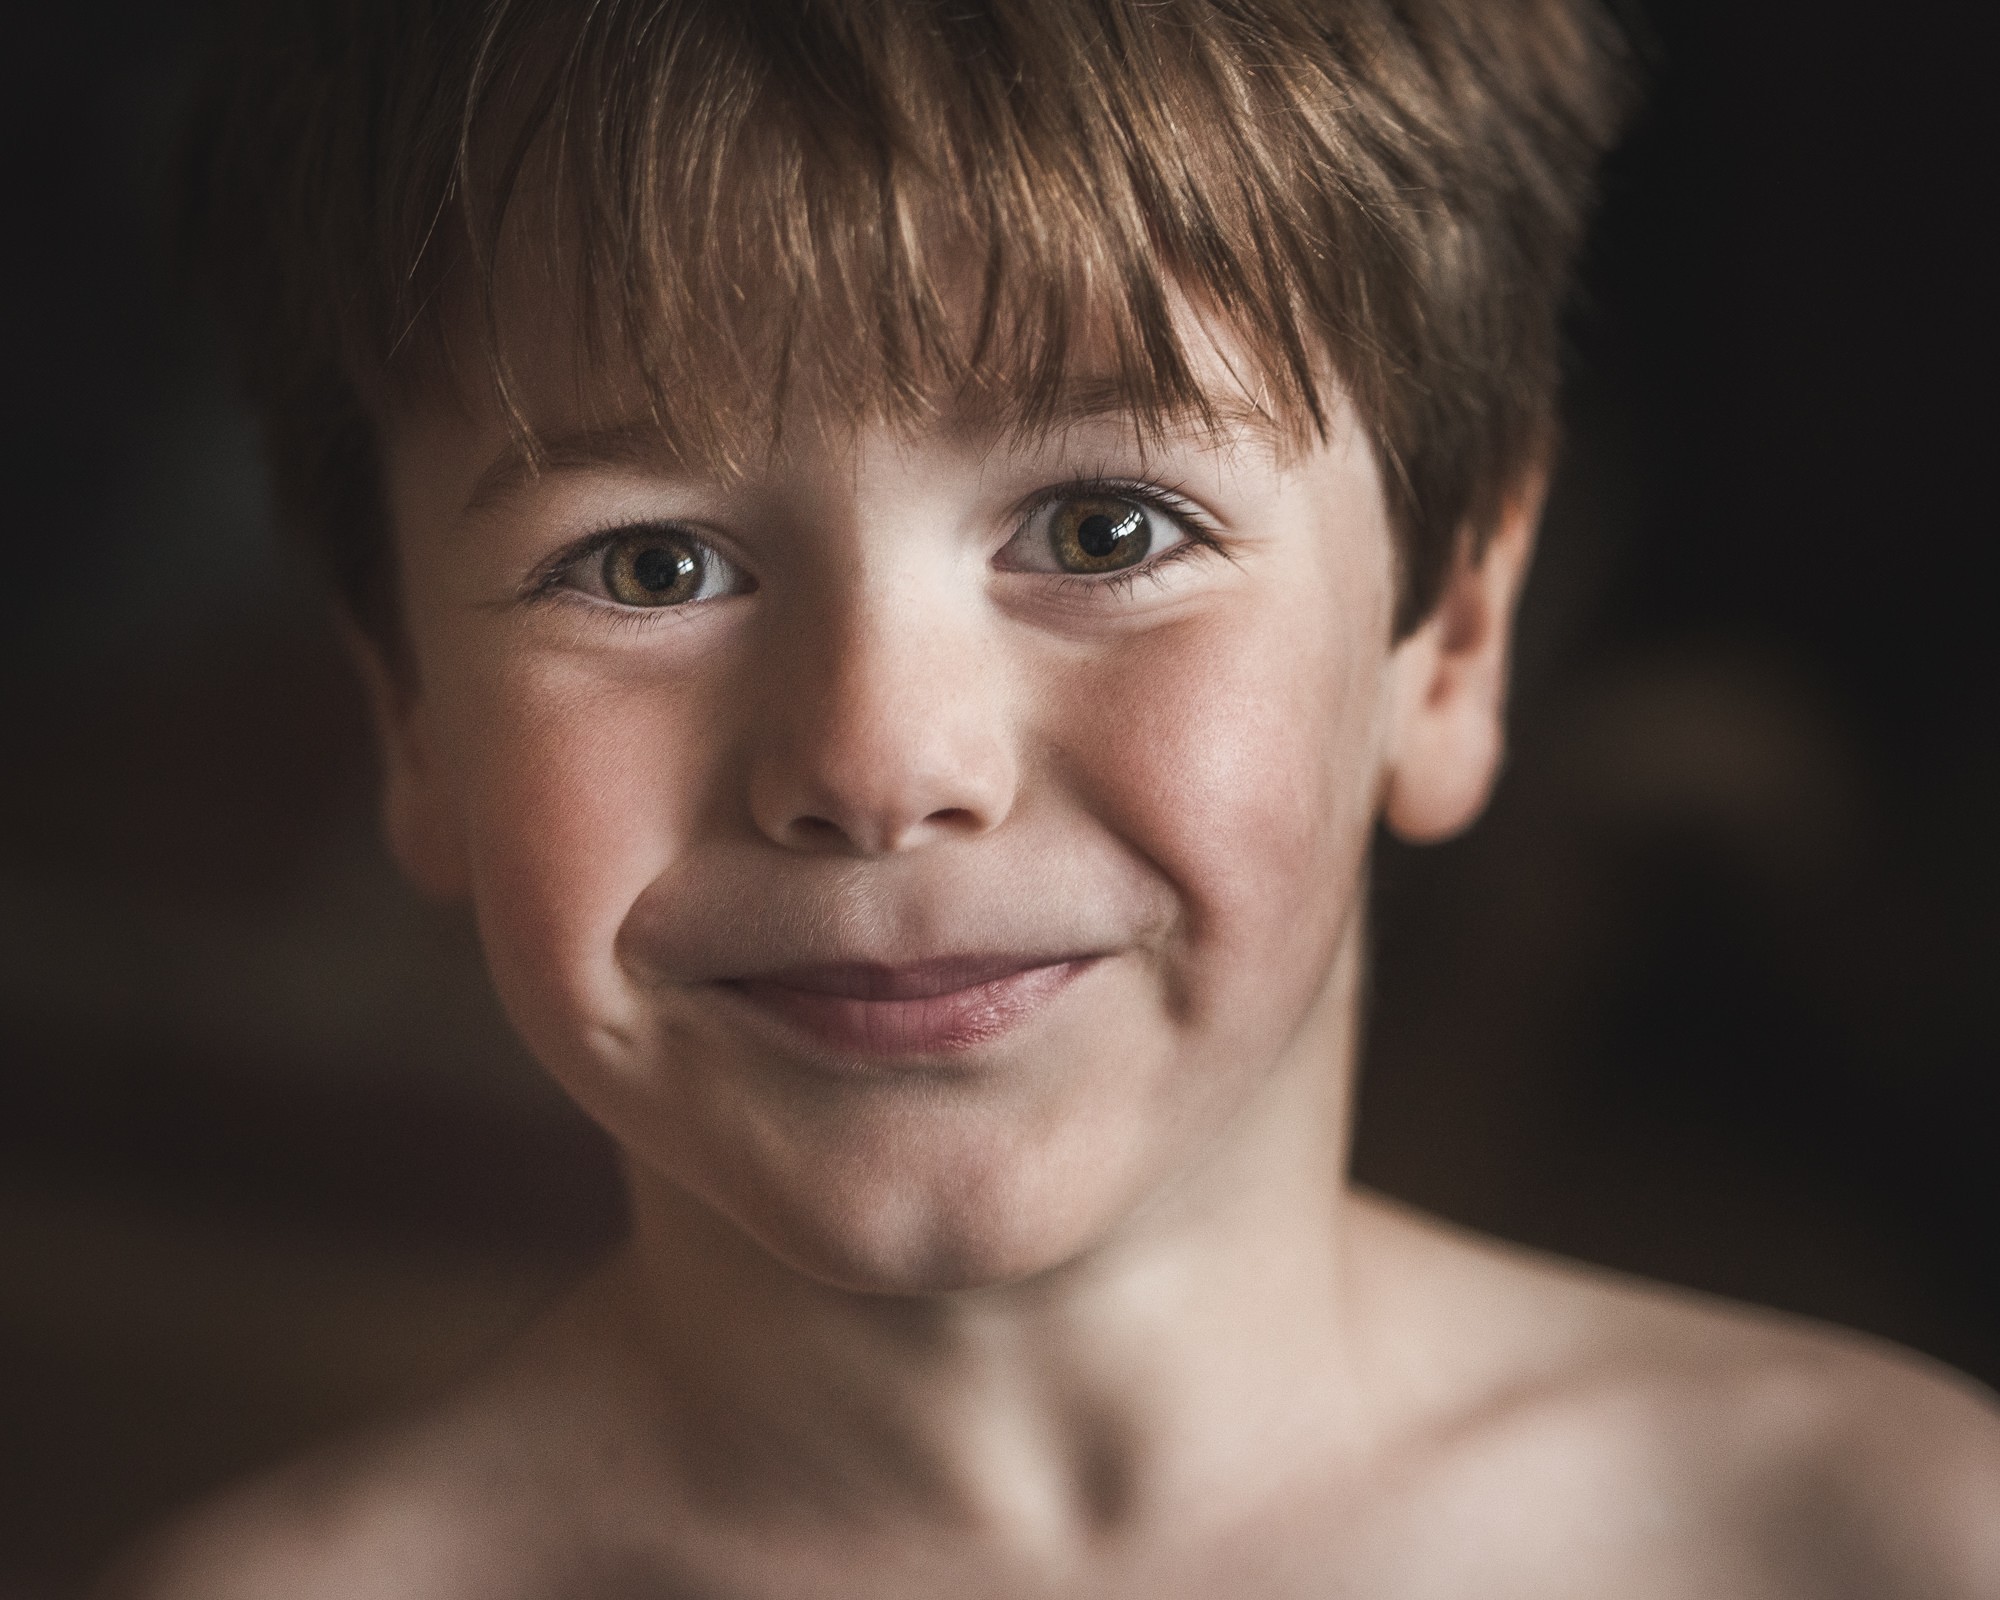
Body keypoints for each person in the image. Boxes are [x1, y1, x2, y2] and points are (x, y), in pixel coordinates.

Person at [107, 0, 2000, 1593]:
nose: (878, 765)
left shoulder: (1883, 1543)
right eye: (649, 567)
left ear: (1453, 636)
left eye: (1108, 527)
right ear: (412, 719)